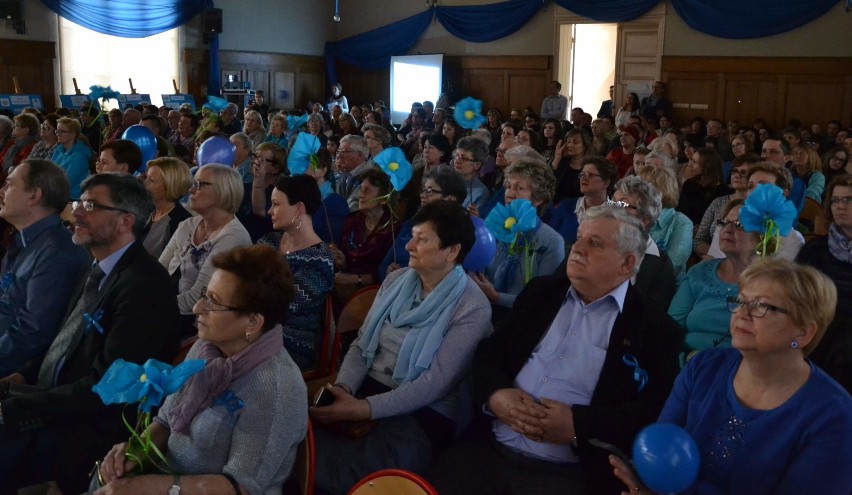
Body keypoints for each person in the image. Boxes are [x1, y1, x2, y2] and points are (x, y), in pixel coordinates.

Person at [428, 206, 683, 495]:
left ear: (627, 264)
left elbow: (654, 408)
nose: (577, 249)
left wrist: (578, 427)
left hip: (569, 473)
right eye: (579, 238)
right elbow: (489, 353)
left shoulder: (655, 330)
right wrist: (496, 395)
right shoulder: (541, 293)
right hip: (490, 449)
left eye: (594, 243)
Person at [0, 173, 180, 493]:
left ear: (126, 221)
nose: (77, 212)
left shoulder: (145, 284)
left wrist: (18, 408)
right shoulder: (94, 266)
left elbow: (108, 388)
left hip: (88, 425)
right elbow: (64, 341)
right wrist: (21, 377)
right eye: (79, 203)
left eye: (91, 206)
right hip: (55, 400)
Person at [611, 258, 852, 495]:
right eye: (740, 301)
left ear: (803, 332)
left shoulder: (833, 415)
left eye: (761, 306)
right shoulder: (704, 367)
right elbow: (661, 449)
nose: (741, 314)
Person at [311, 201, 492, 494]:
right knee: (304, 441)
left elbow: (434, 384)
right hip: (367, 387)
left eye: (422, 239)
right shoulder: (396, 281)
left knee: (360, 474)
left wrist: (365, 409)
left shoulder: (471, 308)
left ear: (452, 251)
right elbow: (361, 345)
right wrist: (344, 389)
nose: (409, 246)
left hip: (425, 412)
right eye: (412, 237)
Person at [96, 245, 308, 495]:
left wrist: (148, 487)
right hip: (169, 479)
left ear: (253, 322)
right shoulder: (207, 348)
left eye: (214, 302)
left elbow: (241, 487)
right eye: (205, 295)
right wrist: (134, 451)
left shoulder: (275, 390)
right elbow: (165, 421)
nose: (198, 308)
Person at [0, 160, 89, 376]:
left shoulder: (57, 252)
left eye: (9, 185)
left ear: (34, 196)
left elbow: (32, 334)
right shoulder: (25, 239)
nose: (2, 191)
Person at [159, 164, 252, 335]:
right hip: (170, 308)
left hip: (201, 322)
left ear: (223, 190)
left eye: (199, 185)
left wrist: (151, 305)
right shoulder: (187, 225)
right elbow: (158, 270)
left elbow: (200, 297)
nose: (191, 190)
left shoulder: (232, 237)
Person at [258, 175, 334, 370]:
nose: (269, 211)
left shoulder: (319, 261)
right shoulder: (269, 242)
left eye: (276, 204)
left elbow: (278, 307)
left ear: (299, 209)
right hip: (255, 329)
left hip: (290, 346)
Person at [473, 159, 564, 320]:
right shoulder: (495, 228)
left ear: (537, 199)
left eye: (519, 188)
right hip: (479, 308)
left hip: (521, 319)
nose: (510, 193)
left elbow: (543, 299)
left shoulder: (552, 241)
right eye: (508, 186)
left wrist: (497, 297)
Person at [669, 199, 759, 358]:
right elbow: (671, 328)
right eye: (725, 222)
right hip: (686, 365)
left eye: (739, 225)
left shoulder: (769, 286)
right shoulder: (699, 272)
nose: (728, 229)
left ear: (762, 237)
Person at [797, 174, 852, 391]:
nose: (840, 206)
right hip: (820, 330)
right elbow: (799, 293)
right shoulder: (816, 249)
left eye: (848, 200)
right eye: (836, 200)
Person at [379, 166, 467, 281]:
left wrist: (405, 276)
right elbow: (383, 265)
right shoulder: (410, 224)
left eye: (430, 191)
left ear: (450, 199)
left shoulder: (458, 235)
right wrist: (388, 271)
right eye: (423, 190)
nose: (422, 195)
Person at [329, 169, 398, 298]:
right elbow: (346, 261)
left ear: (383, 199)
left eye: (367, 190)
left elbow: (385, 272)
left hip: (374, 293)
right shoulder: (352, 220)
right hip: (343, 287)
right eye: (361, 189)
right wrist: (342, 260)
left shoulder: (393, 229)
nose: (360, 194)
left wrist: (355, 279)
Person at [694, 154, 758, 258]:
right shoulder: (718, 202)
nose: (736, 175)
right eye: (734, 171)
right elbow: (699, 239)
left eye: (743, 172)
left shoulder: (758, 209)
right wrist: (713, 256)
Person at [548, 156, 617, 245]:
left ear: (606, 183)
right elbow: (548, 241)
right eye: (582, 174)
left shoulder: (616, 213)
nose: (583, 178)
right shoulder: (565, 206)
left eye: (590, 175)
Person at [644, 167, 694, 276]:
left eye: (643, 186)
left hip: (665, 286)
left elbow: (671, 267)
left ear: (661, 191)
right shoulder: (633, 216)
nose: (636, 191)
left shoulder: (682, 222)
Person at [141, 157, 193, 258]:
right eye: (146, 177)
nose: (144, 183)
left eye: (151, 180)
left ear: (170, 186)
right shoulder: (146, 210)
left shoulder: (180, 222)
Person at [677, 147, 730, 225]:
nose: (690, 165)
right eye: (691, 160)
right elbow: (682, 211)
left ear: (707, 165)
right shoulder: (689, 184)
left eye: (694, 162)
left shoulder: (722, 191)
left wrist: (702, 228)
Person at [51, 117, 91, 199]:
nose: (58, 134)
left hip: (71, 198)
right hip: (56, 194)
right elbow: (48, 171)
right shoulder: (59, 150)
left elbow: (67, 182)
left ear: (73, 134)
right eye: (57, 131)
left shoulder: (79, 156)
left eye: (62, 131)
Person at [453, 136, 491, 215]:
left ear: (477, 165)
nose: (457, 161)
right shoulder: (444, 180)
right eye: (456, 155)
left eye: (463, 158)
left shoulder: (481, 192)